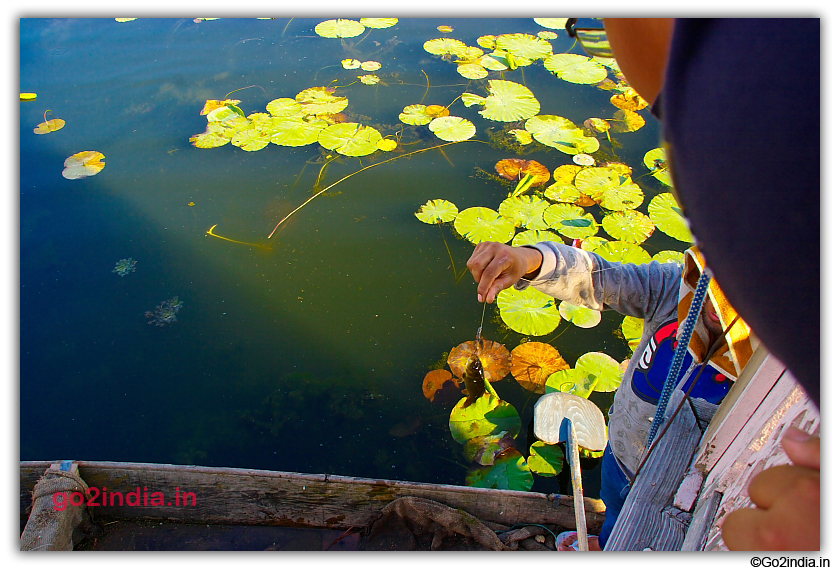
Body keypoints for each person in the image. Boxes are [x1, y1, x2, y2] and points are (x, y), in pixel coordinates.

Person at [467, 240, 756, 550]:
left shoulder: (771, 365)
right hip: (621, 452)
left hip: (676, 495)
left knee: (641, 539)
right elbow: (598, 277)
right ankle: (606, 542)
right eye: (719, 282)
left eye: (746, 294)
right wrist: (527, 259)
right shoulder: (676, 289)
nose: (717, 306)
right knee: (614, 507)